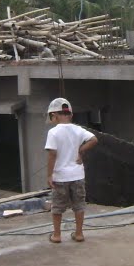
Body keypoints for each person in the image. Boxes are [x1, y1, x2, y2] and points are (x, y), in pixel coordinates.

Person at [44, 97, 98, 243]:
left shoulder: (53, 132)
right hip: (77, 175)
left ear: (54, 115)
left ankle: (56, 235)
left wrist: (49, 175)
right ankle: (79, 234)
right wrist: (81, 150)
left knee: (57, 207)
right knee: (79, 205)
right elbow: (94, 139)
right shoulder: (78, 129)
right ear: (71, 114)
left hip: (60, 177)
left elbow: (52, 154)